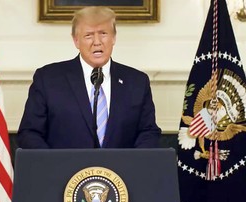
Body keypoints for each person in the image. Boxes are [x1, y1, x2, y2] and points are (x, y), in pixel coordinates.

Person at [17, 6, 161, 149]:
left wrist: (132, 166)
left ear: (114, 38)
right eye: (89, 35)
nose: (97, 42)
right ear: (76, 41)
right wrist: (55, 167)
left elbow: (148, 132)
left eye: (103, 33)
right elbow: (30, 133)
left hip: (121, 171)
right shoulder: (48, 79)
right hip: (65, 171)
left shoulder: (136, 82)